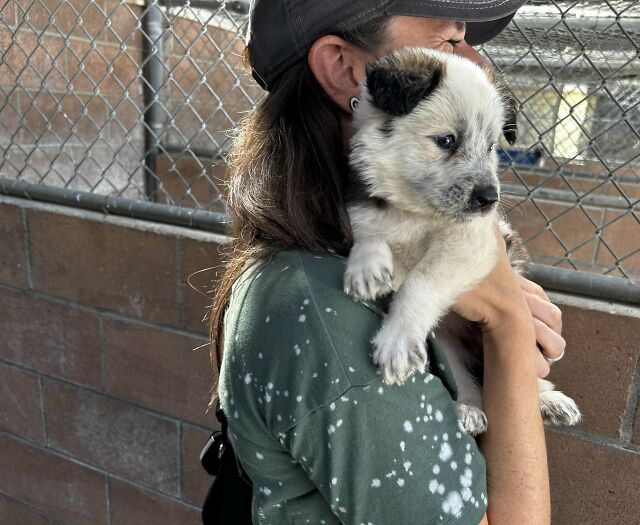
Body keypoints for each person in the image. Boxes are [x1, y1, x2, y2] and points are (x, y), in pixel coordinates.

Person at [208, 1, 567, 523]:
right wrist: (507, 322)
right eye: (448, 41)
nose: (477, 63)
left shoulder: (335, 247)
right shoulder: (326, 316)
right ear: (345, 68)